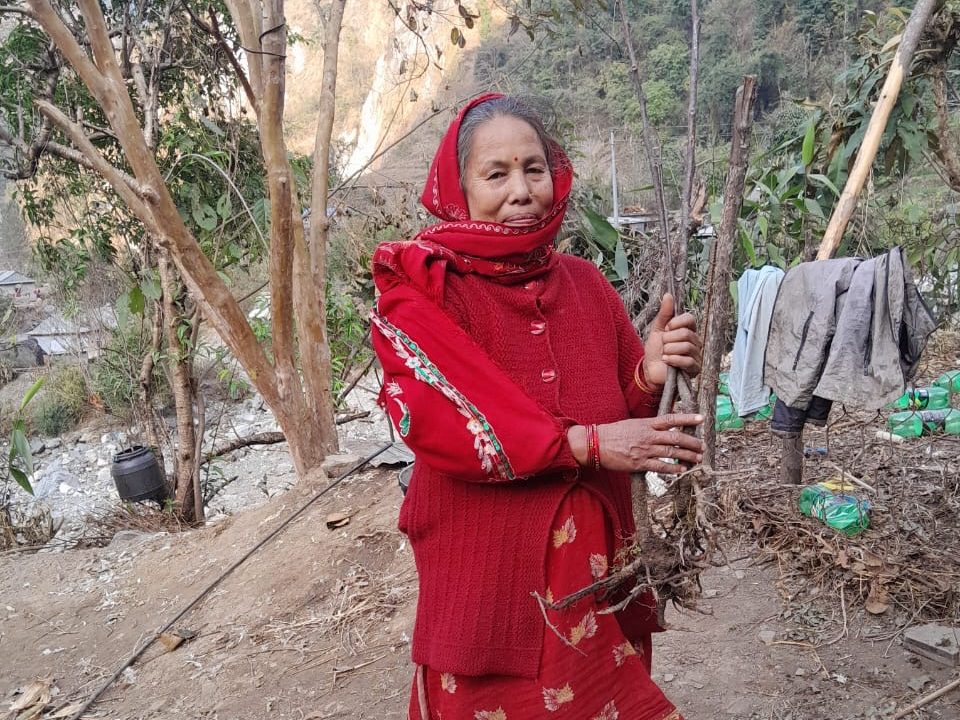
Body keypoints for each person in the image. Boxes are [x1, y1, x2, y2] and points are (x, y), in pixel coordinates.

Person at [371, 93, 704, 720]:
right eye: (496, 174)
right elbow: (452, 424)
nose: (521, 190)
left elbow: (621, 407)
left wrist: (649, 370)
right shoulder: (425, 294)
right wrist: (593, 443)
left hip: (598, 568)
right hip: (490, 577)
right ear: (458, 185)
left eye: (534, 168)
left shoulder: (586, 284)